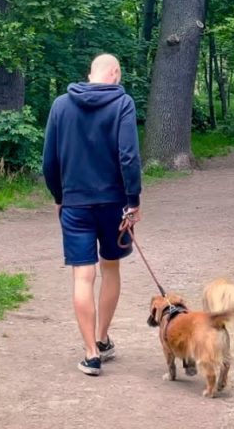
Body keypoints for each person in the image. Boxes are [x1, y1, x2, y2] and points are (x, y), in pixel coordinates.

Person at [42, 53, 143, 377]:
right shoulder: (122, 103)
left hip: (75, 204)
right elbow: (128, 156)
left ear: (91, 73)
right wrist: (133, 200)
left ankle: (90, 354)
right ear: (115, 73)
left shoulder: (61, 105)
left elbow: (49, 160)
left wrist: (59, 197)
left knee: (82, 276)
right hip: (114, 203)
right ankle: (102, 338)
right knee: (110, 268)